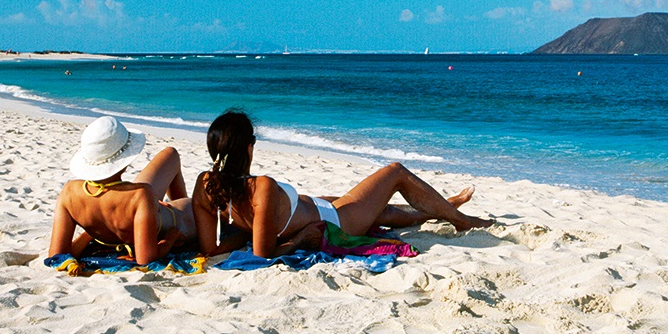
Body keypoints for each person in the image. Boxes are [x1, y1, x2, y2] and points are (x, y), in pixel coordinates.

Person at [191, 110, 493, 259]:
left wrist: (243, 236)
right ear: (248, 148)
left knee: (384, 211)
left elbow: (210, 247)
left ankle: (444, 206)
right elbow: (262, 254)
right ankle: (460, 220)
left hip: (317, 207)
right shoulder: (262, 188)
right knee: (395, 172)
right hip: (335, 220)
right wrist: (300, 240)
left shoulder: (205, 185)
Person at [49, 116, 197, 265]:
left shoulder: (69, 192)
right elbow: (146, 259)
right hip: (168, 219)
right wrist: (171, 238)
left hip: (131, 208)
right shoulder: (140, 195)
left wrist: (95, 231)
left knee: (170, 154)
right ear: (124, 162)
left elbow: (56, 256)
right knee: (202, 205)